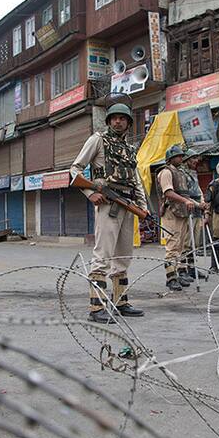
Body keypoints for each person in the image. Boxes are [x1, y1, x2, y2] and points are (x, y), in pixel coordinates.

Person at [70, 98, 148, 324]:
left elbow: (136, 181)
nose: (118, 122)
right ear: (108, 121)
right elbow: (75, 170)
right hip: (107, 204)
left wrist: (142, 208)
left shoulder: (130, 149)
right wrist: (89, 193)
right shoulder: (98, 140)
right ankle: (96, 308)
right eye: (114, 118)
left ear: (128, 122)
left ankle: (121, 302)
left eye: (122, 118)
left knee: (123, 256)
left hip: (127, 204)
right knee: (102, 255)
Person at [156, 144, 199, 292]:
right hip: (171, 212)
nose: (181, 158)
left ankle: (178, 273)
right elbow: (168, 193)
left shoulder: (180, 173)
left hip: (182, 212)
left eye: (181, 156)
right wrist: (185, 201)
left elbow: (185, 195)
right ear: (171, 158)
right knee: (172, 246)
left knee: (180, 246)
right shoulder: (166, 172)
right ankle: (171, 278)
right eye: (178, 156)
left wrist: (198, 204)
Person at [180, 148, 208, 280]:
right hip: (188, 209)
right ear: (186, 160)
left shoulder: (194, 173)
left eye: (196, 158)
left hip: (198, 210)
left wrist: (202, 202)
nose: (196, 161)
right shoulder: (182, 174)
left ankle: (192, 268)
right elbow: (184, 194)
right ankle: (183, 268)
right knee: (186, 242)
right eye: (193, 158)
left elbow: (198, 191)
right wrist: (197, 204)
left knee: (194, 242)